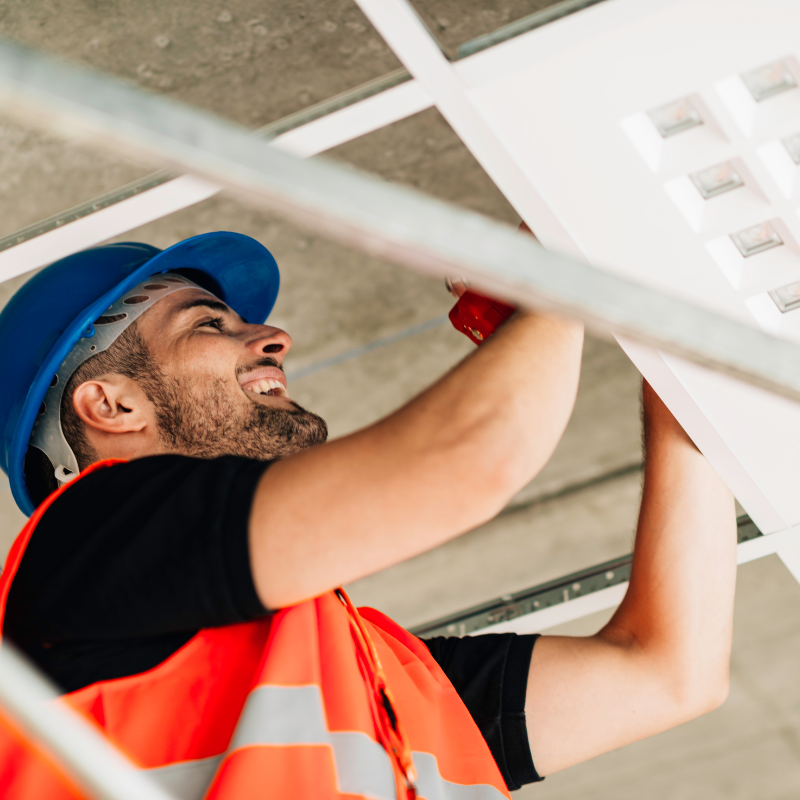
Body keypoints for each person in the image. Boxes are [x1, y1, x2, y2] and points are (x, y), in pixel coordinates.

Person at [0, 230, 735, 800]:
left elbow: (668, 673)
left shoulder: (361, 679)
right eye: (207, 326)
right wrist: (558, 275)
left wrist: (691, 393)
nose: (271, 338)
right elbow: (467, 460)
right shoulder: (87, 542)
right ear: (112, 404)